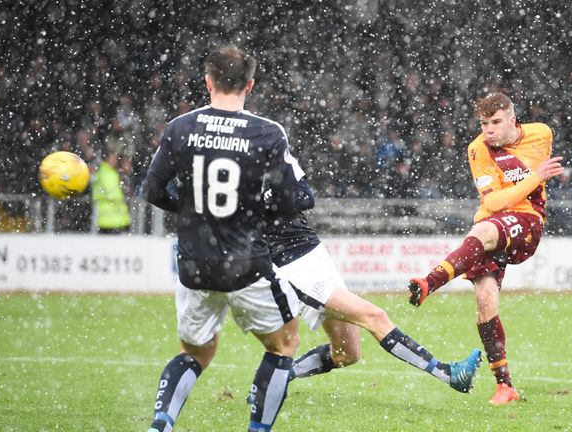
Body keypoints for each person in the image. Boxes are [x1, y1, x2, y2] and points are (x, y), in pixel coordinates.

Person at [142, 45, 302, 432]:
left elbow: (152, 190)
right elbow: (288, 202)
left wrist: (191, 208)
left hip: (195, 264)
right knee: (284, 345)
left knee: (197, 352)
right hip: (246, 264)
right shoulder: (266, 132)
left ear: (208, 82)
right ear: (249, 84)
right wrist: (252, 210)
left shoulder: (180, 127)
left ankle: (161, 425)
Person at [264, 155, 482, 392]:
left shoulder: (273, 145)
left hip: (314, 252)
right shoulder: (235, 168)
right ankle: (449, 374)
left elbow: (306, 198)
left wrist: (266, 199)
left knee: (347, 353)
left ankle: (276, 379)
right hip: (290, 266)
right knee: (374, 316)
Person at [407, 92, 564, 405]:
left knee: (484, 228)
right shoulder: (478, 148)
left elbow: (503, 200)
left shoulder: (541, 134)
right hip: (491, 226)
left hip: (527, 221)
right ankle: (505, 386)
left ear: (512, 119)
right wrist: (533, 178)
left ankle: (431, 282)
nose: (488, 130)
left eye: (495, 122)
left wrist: (526, 185)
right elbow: (492, 202)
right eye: (483, 123)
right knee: (484, 299)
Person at [92, 150, 131, 234]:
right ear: (107, 159)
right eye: (113, 159)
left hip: (109, 219)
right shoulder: (108, 174)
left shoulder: (105, 172)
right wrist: (123, 198)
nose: (116, 161)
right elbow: (112, 194)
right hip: (112, 220)